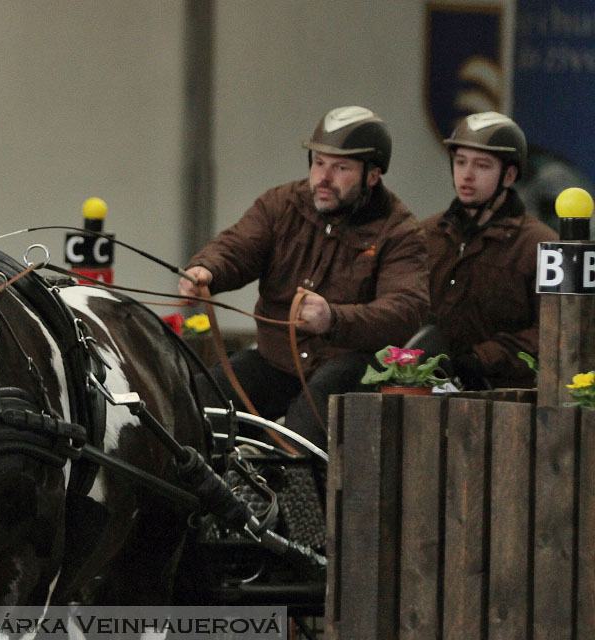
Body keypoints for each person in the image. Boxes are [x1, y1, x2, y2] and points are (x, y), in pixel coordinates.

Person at [179, 106, 429, 449]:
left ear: (372, 176)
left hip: (348, 364)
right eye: (318, 162)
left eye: (340, 168)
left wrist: (335, 318)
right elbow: (238, 246)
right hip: (274, 358)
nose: (323, 177)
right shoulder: (281, 204)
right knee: (201, 401)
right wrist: (206, 270)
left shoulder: (399, 232)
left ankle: (300, 499)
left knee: (303, 430)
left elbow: (405, 310)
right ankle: (212, 496)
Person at [422, 112, 556, 390]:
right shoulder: (424, 234)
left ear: (509, 175)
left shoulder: (541, 245)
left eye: (482, 166)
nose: (467, 175)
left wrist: (483, 358)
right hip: (422, 385)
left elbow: (554, 332)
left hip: (506, 394)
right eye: (460, 162)